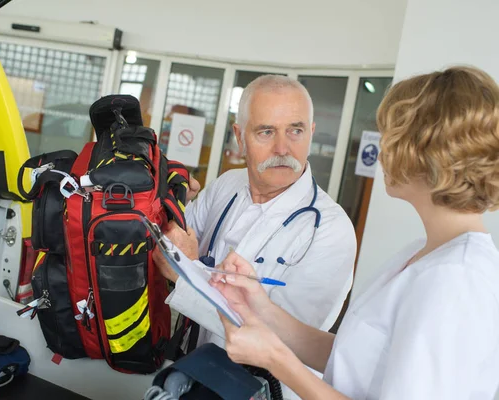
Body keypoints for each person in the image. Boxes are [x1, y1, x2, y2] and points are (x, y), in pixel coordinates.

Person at [211, 65, 499, 399]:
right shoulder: (424, 252)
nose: (382, 151)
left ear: (427, 152)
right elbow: (353, 357)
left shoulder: (457, 279)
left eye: (392, 137)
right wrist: (259, 307)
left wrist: (273, 359)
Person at [154, 75, 357, 398]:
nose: (282, 148)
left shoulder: (331, 230)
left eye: (296, 130)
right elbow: (174, 242)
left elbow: (281, 339)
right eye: (266, 131)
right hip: (195, 372)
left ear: (311, 132)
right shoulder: (227, 184)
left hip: (262, 390)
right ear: (239, 137)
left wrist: (188, 272)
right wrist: (174, 205)